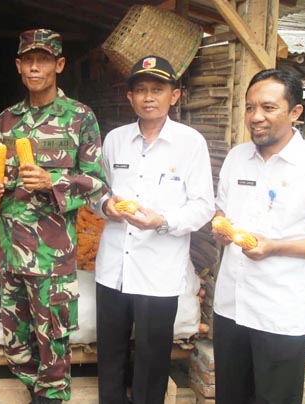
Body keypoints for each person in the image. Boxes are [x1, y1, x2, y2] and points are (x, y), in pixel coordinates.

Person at [0, 29, 107, 404]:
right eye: (29, 60)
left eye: (44, 59)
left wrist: (52, 180)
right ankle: (38, 392)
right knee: (15, 343)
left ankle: (49, 398)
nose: (36, 66)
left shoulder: (80, 117)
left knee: (53, 349)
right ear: (19, 66)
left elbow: (97, 183)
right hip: (11, 253)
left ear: (59, 65)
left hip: (51, 258)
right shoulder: (6, 120)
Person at [212, 69, 305, 404]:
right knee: (231, 396)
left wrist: (276, 247)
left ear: (295, 113)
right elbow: (221, 214)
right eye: (249, 107)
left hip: (280, 312)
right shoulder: (236, 158)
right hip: (231, 305)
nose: (255, 117)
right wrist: (220, 230)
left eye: (268, 108)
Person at [92, 56, 215, 404]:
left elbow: (203, 206)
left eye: (157, 90)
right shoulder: (115, 140)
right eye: (141, 90)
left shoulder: (190, 144)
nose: (149, 97)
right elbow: (96, 191)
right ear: (130, 97)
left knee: (152, 357)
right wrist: (105, 206)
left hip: (159, 271)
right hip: (113, 268)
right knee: (111, 354)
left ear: (174, 96)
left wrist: (161, 221)